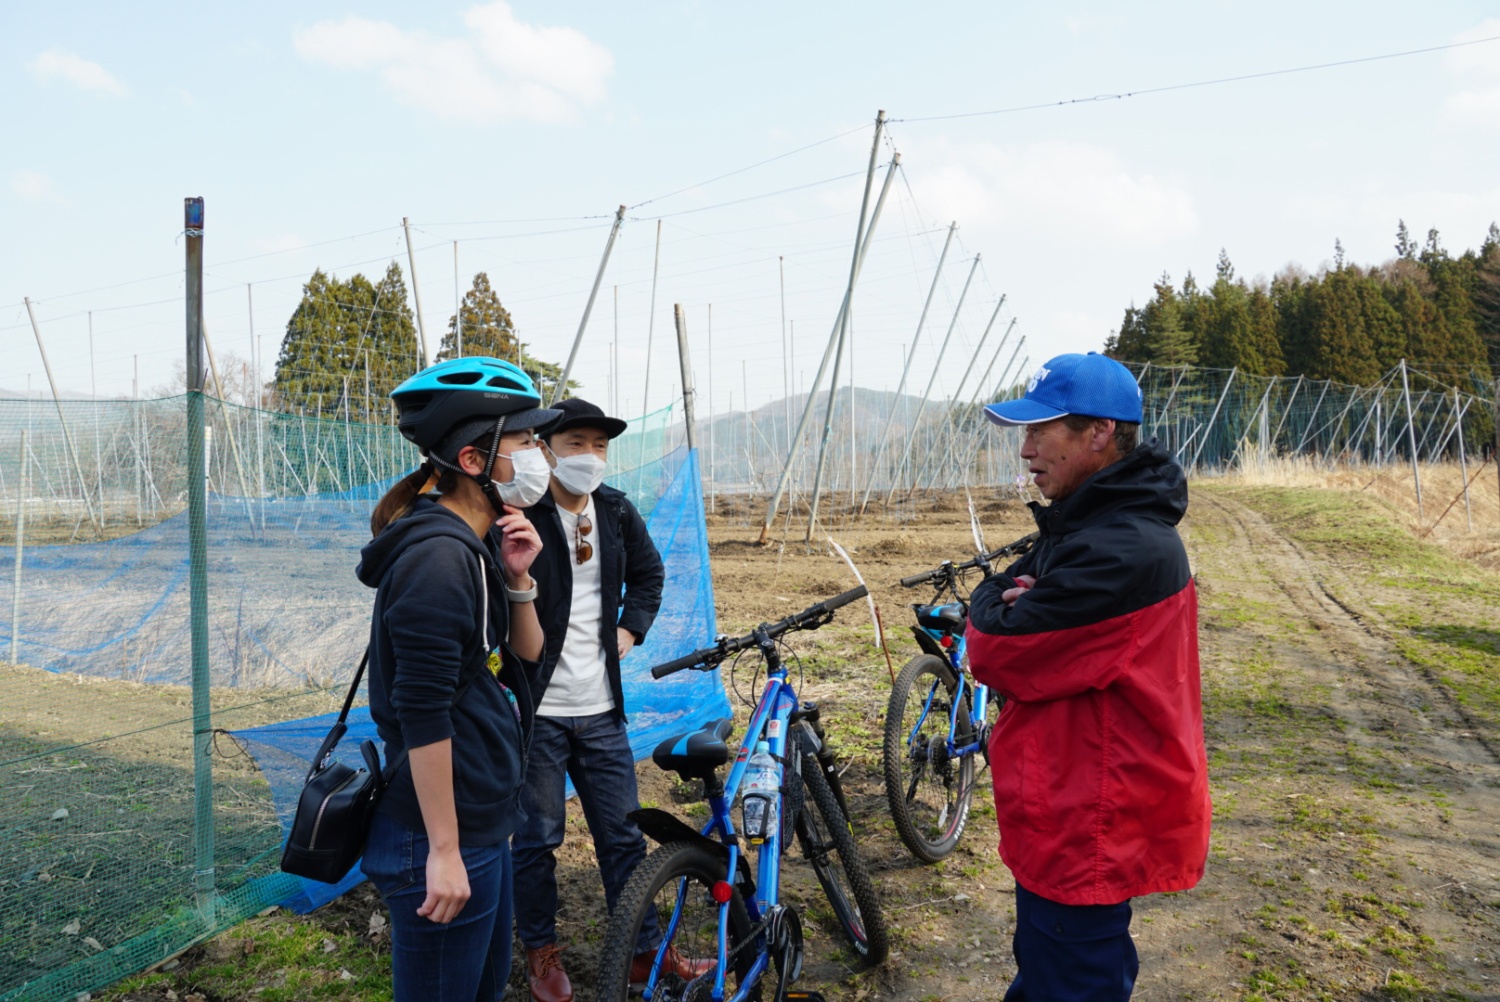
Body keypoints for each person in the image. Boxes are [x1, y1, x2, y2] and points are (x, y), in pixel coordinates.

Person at [964, 352, 1211, 1002]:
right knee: (1054, 973)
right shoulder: (1092, 525)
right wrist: (1016, 592)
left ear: (1100, 432)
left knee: (1071, 982)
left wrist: (989, 597)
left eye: (1041, 429)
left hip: (1091, 819)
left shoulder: (1121, 550)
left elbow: (995, 649)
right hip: (1071, 806)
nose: (1026, 449)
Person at [356, 357, 560, 1002]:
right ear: (473, 460)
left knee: (483, 991)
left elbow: (524, 658)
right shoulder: (439, 561)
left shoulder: (476, 546)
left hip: (478, 822)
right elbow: (424, 712)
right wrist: (443, 852)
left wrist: (519, 579)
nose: (540, 454)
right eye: (525, 440)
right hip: (439, 836)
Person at [511, 397, 697, 1002]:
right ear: (546, 450)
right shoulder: (520, 515)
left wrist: (630, 628)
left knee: (624, 838)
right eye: (576, 444)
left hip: (600, 712)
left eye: (600, 445)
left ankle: (645, 952)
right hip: (538, 713)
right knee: (537, 840)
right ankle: (541, 952)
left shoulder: (614, 510)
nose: (590, 456)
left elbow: (649, 574)